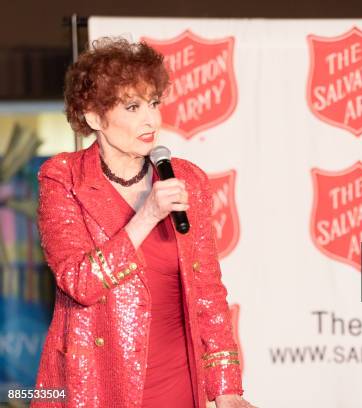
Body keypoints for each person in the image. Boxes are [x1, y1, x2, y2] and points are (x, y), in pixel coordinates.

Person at [33, 37, 255, 408]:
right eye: (132, 107)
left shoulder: (187, 179)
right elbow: (80, 282)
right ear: (93, 116)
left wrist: (226, 387)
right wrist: (147, 216)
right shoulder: (63, 178)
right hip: (97, 384)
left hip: (179, 380)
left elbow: (208, 292)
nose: (151, 119)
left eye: (154, 103)